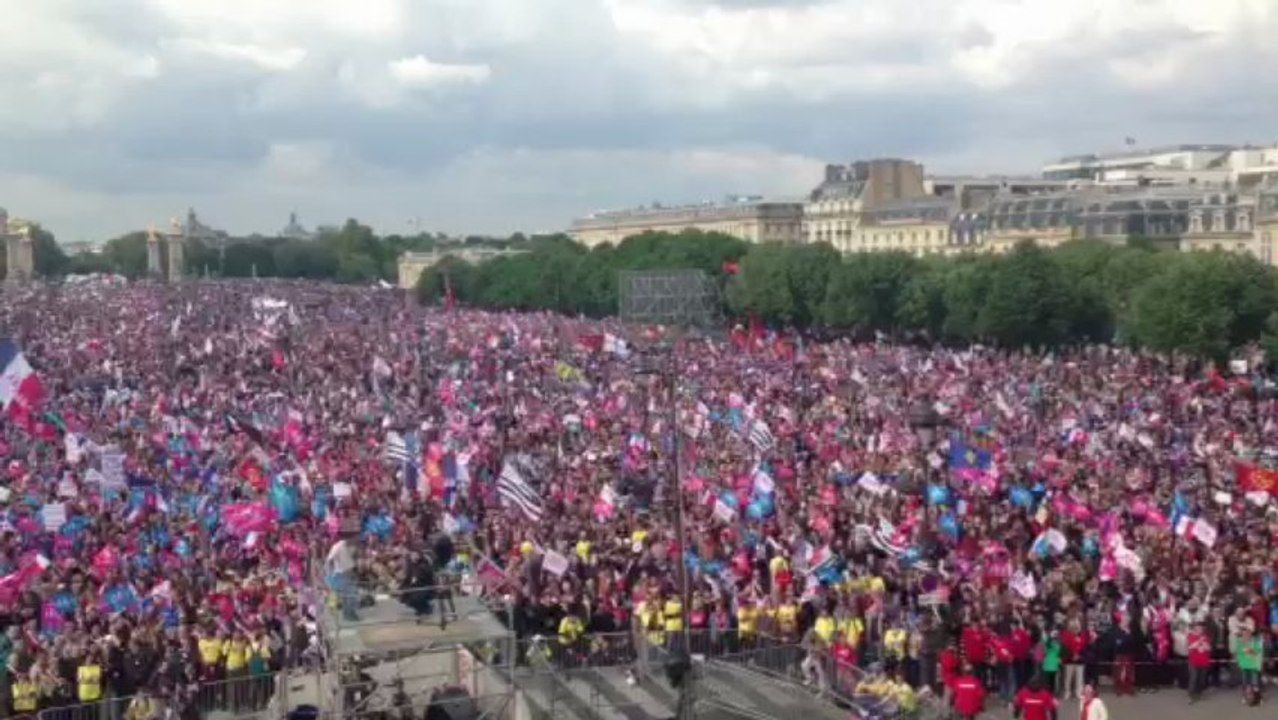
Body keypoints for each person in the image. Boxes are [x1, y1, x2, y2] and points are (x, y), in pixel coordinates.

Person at [1234, 625, 1263, 705]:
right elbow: (1238, 654)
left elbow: (1258, 652)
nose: (1245, 635)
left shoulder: (1255, 641)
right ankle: (1244, 697)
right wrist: (1239, 663)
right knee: (1245, 683)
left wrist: (1249, 650)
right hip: (1244, 666)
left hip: (1254, 666)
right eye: (1243, 634)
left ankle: (1258, 698)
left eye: (1247, 633)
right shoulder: (1239, 642)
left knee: (1255, 684)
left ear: (1250, 634)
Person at [1186, 620, 1212, 703]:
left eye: (1201, 628)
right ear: (1194, 628)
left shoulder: (1206, 636)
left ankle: (1199, 693)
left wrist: (1202, 643)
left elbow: (1208, 648)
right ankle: (1191, 695)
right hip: (1193, 661)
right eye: (1197, 628)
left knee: (1201, 678)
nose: (1199, 630)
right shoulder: (1190, 636)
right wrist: (1200, 641)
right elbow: (1190, 647)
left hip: (1204, 661)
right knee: (1193, 678)